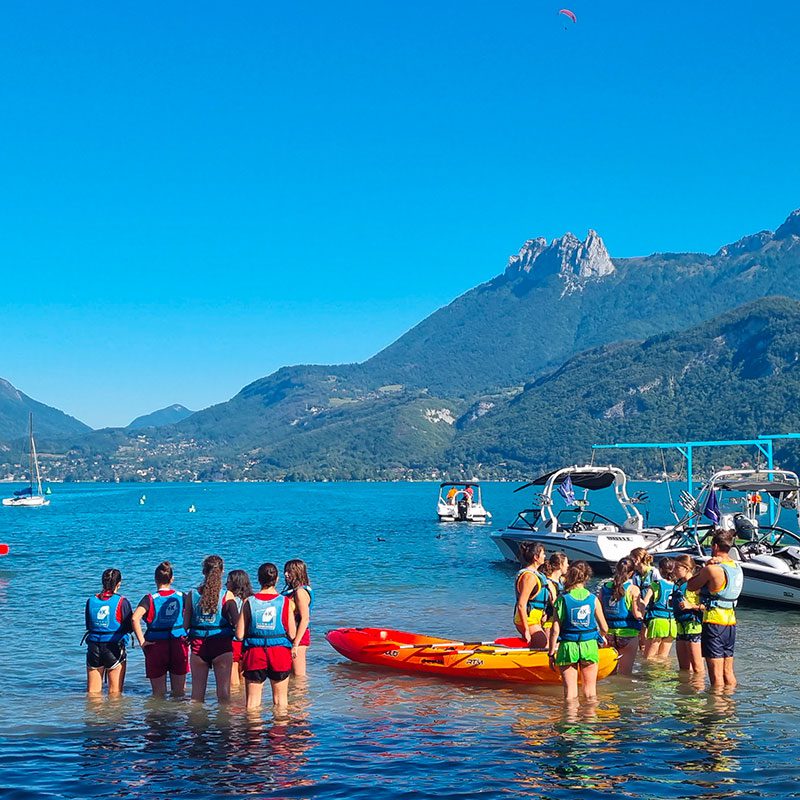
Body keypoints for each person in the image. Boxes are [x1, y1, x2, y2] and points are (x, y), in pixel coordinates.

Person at [236, 562, 297, 710]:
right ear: (276, 580)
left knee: (252, 702)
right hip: (279, 652)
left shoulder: (248, 602)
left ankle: (253, 732)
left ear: (258, 579)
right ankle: (279, 731)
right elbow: (293, 633)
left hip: (255, 653)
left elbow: (239, 635)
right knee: (281, 700)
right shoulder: (285, 602)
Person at [687, 529, 743, 688]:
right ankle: (730, 707)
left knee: (716, 677)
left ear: (715, 546)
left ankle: (717, 710)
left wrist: (705, 566)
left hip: (714, 622)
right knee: (728, 672)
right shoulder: (737, 567)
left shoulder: (712, 569)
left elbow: (691, 586)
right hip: (731, 623)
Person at [548, 561, 609, 702]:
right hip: (589, 646)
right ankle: (590, 721)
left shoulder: (562, 599)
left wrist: (551, 653)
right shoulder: (593, 599)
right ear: (587, 578)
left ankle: (570, 722)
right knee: (590, 692)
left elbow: (555, 630)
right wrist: (600, 637)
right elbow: (604, 628)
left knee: (570, 693)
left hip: (568, 647)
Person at [185, 555, 237, 703]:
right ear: (222, 572)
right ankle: (224, 725)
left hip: (198, 645)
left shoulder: (192, 595)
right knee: (224, 694)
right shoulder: (227, 596)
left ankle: (197, 725)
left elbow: (186, 625)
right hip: (221, 645)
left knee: (196, 696)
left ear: (203, 572)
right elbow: (238, 623)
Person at [131, 561, 188, 698]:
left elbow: (134, 619)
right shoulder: (182, 596)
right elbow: (191, 616)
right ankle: (179, 718)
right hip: (178, 643)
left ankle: (158, 718)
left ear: (155, 579)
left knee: (158, 694)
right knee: (179, 693)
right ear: (172, 579)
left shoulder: (149, 599)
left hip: (156, 646)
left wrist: (142, 642)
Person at [84, 568, 132, 695]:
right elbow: (129, 626)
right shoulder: (122, 601)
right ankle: (113, 715)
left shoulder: (91, 601)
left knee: (93, 693)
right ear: (119, 584)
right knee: (115, 693)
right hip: (113, 647)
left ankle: (94, 715)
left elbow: (89, 624)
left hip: (93, 647)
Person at [598, 557, 643, 675]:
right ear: (632, 572)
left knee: (608, 673)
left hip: (609, 635)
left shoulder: (605, 587)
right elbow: (636, 614)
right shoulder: (633, 589)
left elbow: (598, 610)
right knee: (625, 675)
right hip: (628, 634)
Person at [671, 555, 705, 675]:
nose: (673, 570)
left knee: (697, 668)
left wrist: (692, 606)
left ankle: (698, 691)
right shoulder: (679, 585)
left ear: (686, 568)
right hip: (681, 627)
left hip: (694, 627)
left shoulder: (696, 585)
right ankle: (684, 692)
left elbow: (708, 606)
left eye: (676, 567)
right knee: (683, 669)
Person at [641, 557, 677, 661]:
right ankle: (664, 676)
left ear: (660, 570)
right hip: (672, 623)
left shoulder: (656, 584)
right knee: (663, 657)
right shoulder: (676, 585)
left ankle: (651, 676)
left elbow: (645, 602)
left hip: (657, 622)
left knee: (649, 658)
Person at [513, 542, 549, 647]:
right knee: (544, 644)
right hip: (528, 620)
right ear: (536, 557)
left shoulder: (537, 575)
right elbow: (521, 604)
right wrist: (526, 630)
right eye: (543, 553)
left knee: (542, 644)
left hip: (535, 619)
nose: (545, 556)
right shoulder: (529, 577)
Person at [283, 559, 313, 677]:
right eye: (285, 571)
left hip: (298, 637)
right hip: (290, 635)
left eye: (289, 571)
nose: (285, 574)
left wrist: (296, 644)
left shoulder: (300, 592)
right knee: (289, 675)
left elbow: (305, 619)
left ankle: (301, 695)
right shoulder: (291, 591)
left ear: (298, 573)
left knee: (298, 676)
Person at [226, 569, 254, 690]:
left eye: (228, 581)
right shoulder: (251, 599)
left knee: (233, 671)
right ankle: (242, 696)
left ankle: (234, 698)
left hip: (234, 639)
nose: (226, 584)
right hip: (248, 640)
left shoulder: (232, 600)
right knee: (243, 672)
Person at [540, 552, 569, 631]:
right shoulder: (549, 582)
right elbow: (554, 602)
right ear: (560, 565)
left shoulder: (562, 580)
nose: (568, 565)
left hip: (560, 619)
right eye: (566, 563)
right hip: (550, 621)